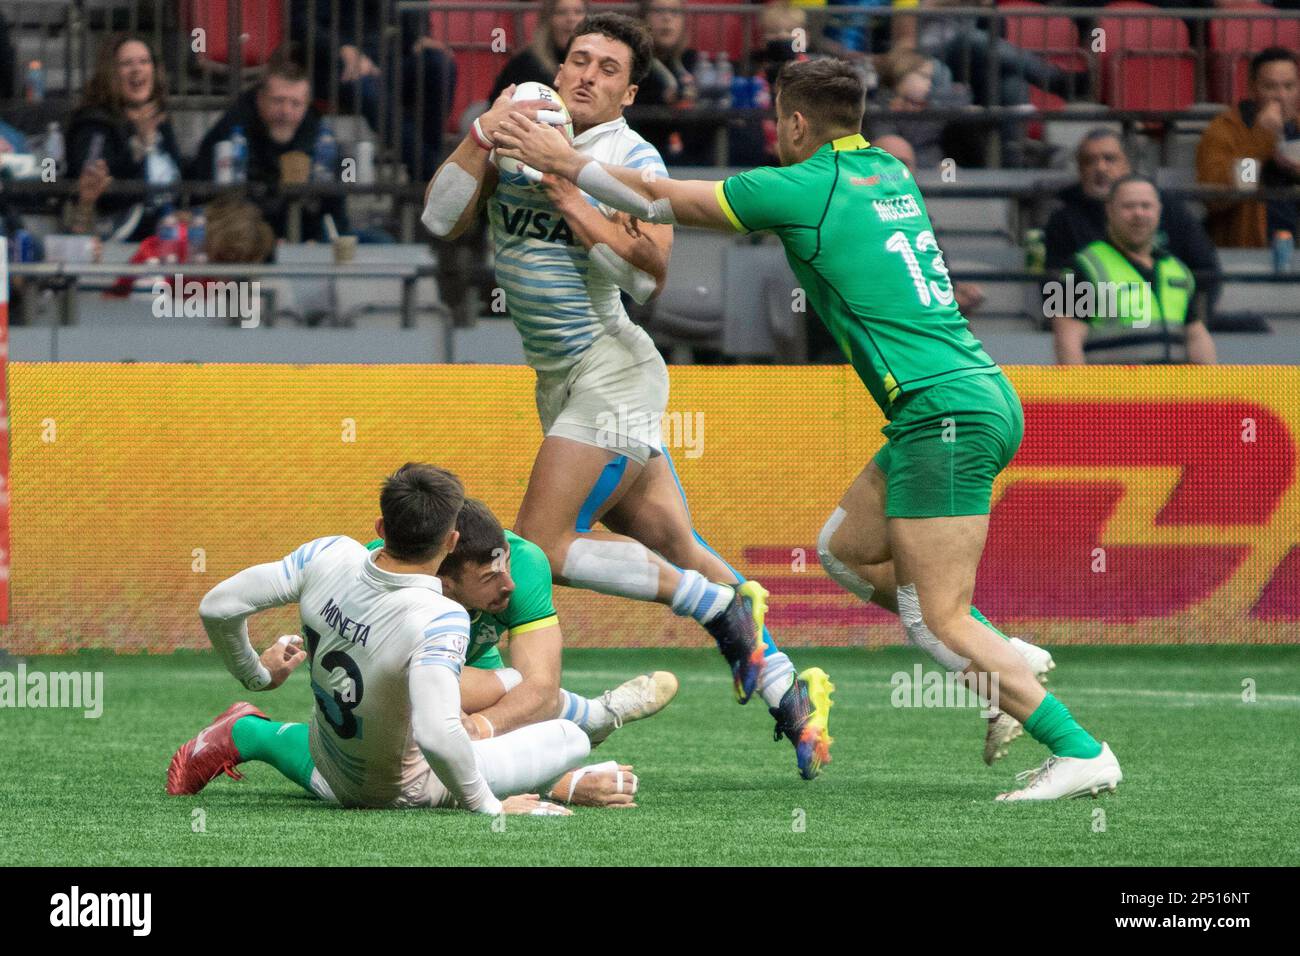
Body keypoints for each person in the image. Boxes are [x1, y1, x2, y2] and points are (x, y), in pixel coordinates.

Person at [496, 56, 1123, 800]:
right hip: (973, 395)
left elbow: (662, 200)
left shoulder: (800, 186)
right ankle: (1005, 654)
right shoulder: (888, 172)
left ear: (795, 124)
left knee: (937, 620)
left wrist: (564, 164)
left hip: (940, 412)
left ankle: (1079, 749)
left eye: (779, 123)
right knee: (846, 552)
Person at [422, 12, 834, 780]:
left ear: (629, 90)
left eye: (607, 68)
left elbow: (648, 279)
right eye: (579, 58)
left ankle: (717, 610)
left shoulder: (629, 155)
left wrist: (567, 184)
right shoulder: (516, 121)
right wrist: (483, 133)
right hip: (561, 384)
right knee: (681, 548)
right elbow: (439, 217)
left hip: (614, 371)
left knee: (537, 551)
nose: (586, 74)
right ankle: (790, 693)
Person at [165, 463, 615, 814]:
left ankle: (248, 731)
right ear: (452, 541)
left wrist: (258, 676)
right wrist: (487, 805)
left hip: (327, 762)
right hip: (403, 790)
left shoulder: (328, 553)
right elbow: (439, 736)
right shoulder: (440, 616)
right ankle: (584, 735)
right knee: (570, 738)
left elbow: (217, 606)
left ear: (381, 528)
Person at [365, 497, 679, 751]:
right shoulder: (379, 580)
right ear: (443, 583)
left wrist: (479, 727)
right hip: (397, 675)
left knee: (520, 687)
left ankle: (597, 717)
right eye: (490, 577)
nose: (510, 584)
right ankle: (593, 716)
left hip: (474, 663)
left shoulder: (526, 563)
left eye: (506, 566)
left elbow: (541, 689)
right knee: (414, 693)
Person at [1048, 129, 1220, 312]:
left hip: (1173, 332)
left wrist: (1195, 321)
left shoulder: (1169, 209)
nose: (1101, 168)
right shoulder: (1062, 223)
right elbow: (1057, 292)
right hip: (1098, 336)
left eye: (1109, 159)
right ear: (1080, 171)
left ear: (1127, 164)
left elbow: (1206, 273)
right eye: (1090, 161)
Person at [1052, 176, 1217, 366]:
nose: (1138, 213)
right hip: (1111, 394)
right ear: (1109, 211)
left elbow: (1196, 337)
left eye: (1146, 206)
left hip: (1172, 395)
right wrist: (1078, 394)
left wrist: (1211, 390)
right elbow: (1065, 342)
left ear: (1159, 210)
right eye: (1128, 206)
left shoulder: (1179, 270)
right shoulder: (1078, 267)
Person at [292, 0, 457, 182]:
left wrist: (420, 35)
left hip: (394, 58)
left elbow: (412, 11)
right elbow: (301, 23)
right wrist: (341, 49)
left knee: (440, 64)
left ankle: (427, 175)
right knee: (367, 90)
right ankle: (432, 175)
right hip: (337, 65)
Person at [189, 55, 348, 241]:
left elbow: (336, 210)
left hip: (307, 241)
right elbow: (217, 205)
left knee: (379, 241)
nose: (286, 112)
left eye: (295, 104)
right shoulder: (229, 133)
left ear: (306, 106)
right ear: (260, 99)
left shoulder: (321, 138)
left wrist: (318, 243)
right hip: (244, 242)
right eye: (278, 101)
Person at [66, 34, 183, 241]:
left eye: (144, 61)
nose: (137, 69)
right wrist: (140, 144)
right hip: (123, 232)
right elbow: (98, 187)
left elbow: (179, 175)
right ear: (111, 74)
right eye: (126, 63)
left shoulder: (159, 120)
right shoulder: (94, 123)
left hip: (169, 226)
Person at [1196, 47, 1300, 248]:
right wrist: (1260, 142)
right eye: (1270, 87)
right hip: (1249, 250)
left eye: (1289, 86)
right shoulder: (1224, 129)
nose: (1281, 96)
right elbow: (1217, 199)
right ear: (1252, 89)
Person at [632, 0, 712, 166]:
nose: (667, 18)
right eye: (659, 11)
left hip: (693, 163)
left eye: (674, 12)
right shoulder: (633, 64)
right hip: (644, 162)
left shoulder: (693, 62)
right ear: (642, 19)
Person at [488, 0, 589, 103]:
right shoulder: (525, 62)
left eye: (578, 12)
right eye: (561, 12)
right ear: (547, 19)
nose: (571, 19)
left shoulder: (593, 63)